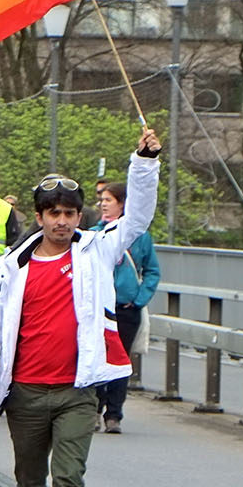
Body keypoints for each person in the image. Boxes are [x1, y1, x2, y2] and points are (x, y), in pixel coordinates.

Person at [0, 128, 161, 487]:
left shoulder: (97, 250)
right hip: (25, 393)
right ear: (38, 216)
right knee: (30, 483)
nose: (62, 221)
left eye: (70, 213)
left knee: (69, 477)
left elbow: (136, 218)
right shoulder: (11, 266)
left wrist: (144, 163)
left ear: (81, 216)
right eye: (53, 213)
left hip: (78, 390)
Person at [93, 182, 161, 435]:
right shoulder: (94, 233)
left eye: (108, 200)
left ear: (122, 204)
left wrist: (140, 298)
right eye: (102, 200)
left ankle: (114, 414)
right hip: (101, 308)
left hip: (126, 308)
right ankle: (94, 410)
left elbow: (152, 270)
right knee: (98, 358)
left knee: (120, 362)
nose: (103, 204)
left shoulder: (140, 237)